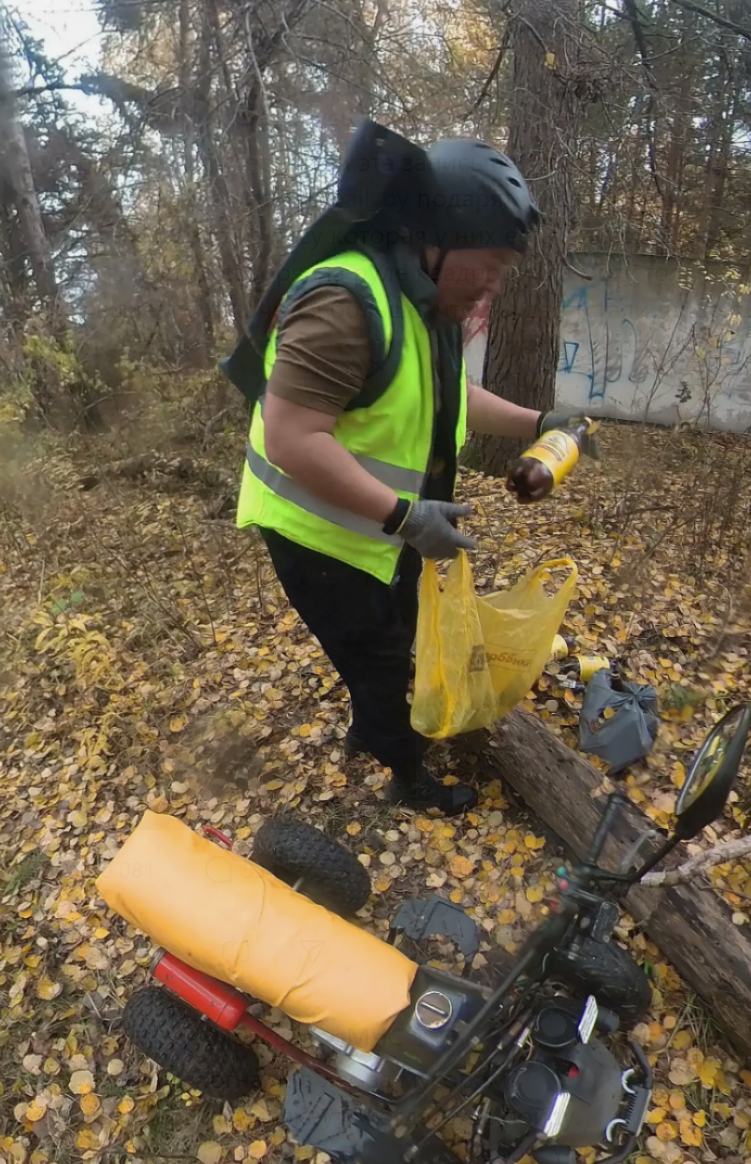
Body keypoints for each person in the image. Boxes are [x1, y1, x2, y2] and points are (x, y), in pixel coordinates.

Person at [235, 124, 586, 815]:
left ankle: (370, 728)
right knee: (383, 659)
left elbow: (453, 396)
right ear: (439, 237)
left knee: (392, 641)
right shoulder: (344, 301)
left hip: (380, 531)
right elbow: (292, 438)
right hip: (317, 537)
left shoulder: (423, 302)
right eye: (490, 264)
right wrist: (405, 515)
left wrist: (540, 423)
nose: (494, 284)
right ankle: (407, 776)